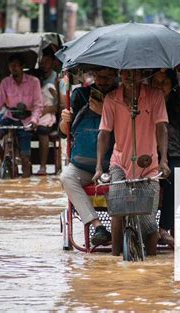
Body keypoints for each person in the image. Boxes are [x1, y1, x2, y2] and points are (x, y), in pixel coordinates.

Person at [94, 69, 171, 256]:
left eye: (135, 73)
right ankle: (115, 258)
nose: (130, 77)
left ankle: (152, 262)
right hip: (120, 163)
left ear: (143, 74)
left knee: (150, 223)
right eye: (126, 73)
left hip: (149, 166)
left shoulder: (155, 96)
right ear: (121, 74)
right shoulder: (111, 99)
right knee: (118, 210)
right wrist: (98, 167)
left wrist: (163, 160)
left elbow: (162, 128)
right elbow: (104, 133)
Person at [59, 68, 118, 246]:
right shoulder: (80, 95)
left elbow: (128, 134)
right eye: (100, 76)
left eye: (108, 76)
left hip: (114, 163)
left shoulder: (123, 97)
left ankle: (120, 228)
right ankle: (98, 225)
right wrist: (65, 120)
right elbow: (64, 133)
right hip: (82, 164)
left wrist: (104, 114)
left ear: (116, 76)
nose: (103, 80)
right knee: (66, 177)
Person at [151, 69, 180, 247]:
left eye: (165, 83)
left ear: (173, 85)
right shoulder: (143, 102)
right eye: (156, 82)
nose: (160, 87)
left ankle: (164, 228)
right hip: (148, 154)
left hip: (174, 156)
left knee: (179, 174)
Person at [0, 53, 43, 178]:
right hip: (10, 117)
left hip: (26, 119)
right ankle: (5, 163)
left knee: (25, 157)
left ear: (22, 66)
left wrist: (34, 120)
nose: (13, 68)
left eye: (16, 66)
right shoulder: (5, 82)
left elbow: (38, 105)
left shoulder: (34, 82)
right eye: (11, 66)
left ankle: (25, 178)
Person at [31, 48, 62, 175]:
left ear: (53, 62)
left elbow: (60, 104)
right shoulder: (36, 78)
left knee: (42, 131)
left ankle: (42, 166)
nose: (44, 65)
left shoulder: (57, 79)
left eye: (46, 62)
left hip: (50, 116)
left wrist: (47, 110)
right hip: (34, 114)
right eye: (42, 62)